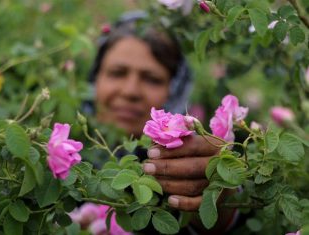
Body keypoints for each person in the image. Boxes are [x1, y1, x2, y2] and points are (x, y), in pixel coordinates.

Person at [88, 11, 236, 234]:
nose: (130, 91)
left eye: (152, 79)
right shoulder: (66, 164)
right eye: (117, 73)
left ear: (176, 88)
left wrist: (221, 202)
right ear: (95, 78)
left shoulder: (190, 164)